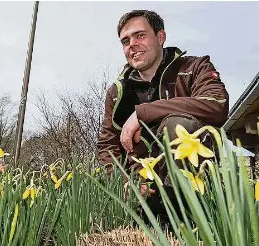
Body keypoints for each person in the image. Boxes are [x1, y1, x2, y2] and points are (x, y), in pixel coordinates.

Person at [97, 10, 229, 220]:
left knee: (177, 125)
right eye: (125, 41)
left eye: (140, 35)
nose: (132, 44)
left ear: (160, 37)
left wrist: (144, 113)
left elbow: (216, 105)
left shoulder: (194, 68)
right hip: (143, 188)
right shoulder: (117, 92)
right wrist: (123, 182)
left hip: (193, 185)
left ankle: (182, 215)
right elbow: (107, 145)